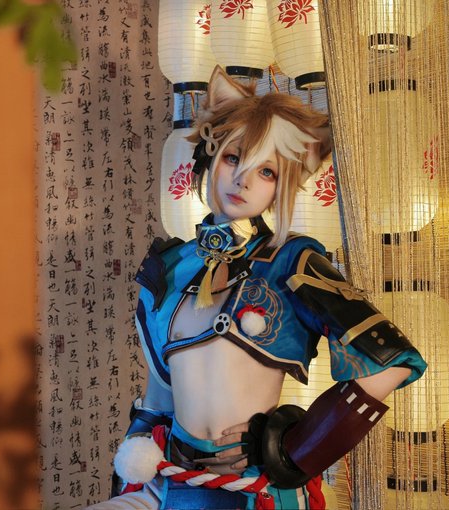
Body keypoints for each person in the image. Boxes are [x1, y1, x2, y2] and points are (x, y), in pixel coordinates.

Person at [87, 66, 426, 510]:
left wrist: (296, 449)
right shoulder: (170, 267)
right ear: (211, 155)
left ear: (282, 186)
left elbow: (392, 361)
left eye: (266, 171)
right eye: (233, 158)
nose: (242, 180)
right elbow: (158, 399)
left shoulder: (291, 261)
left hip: (255, 490)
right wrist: (129, 472)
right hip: (168, 483)